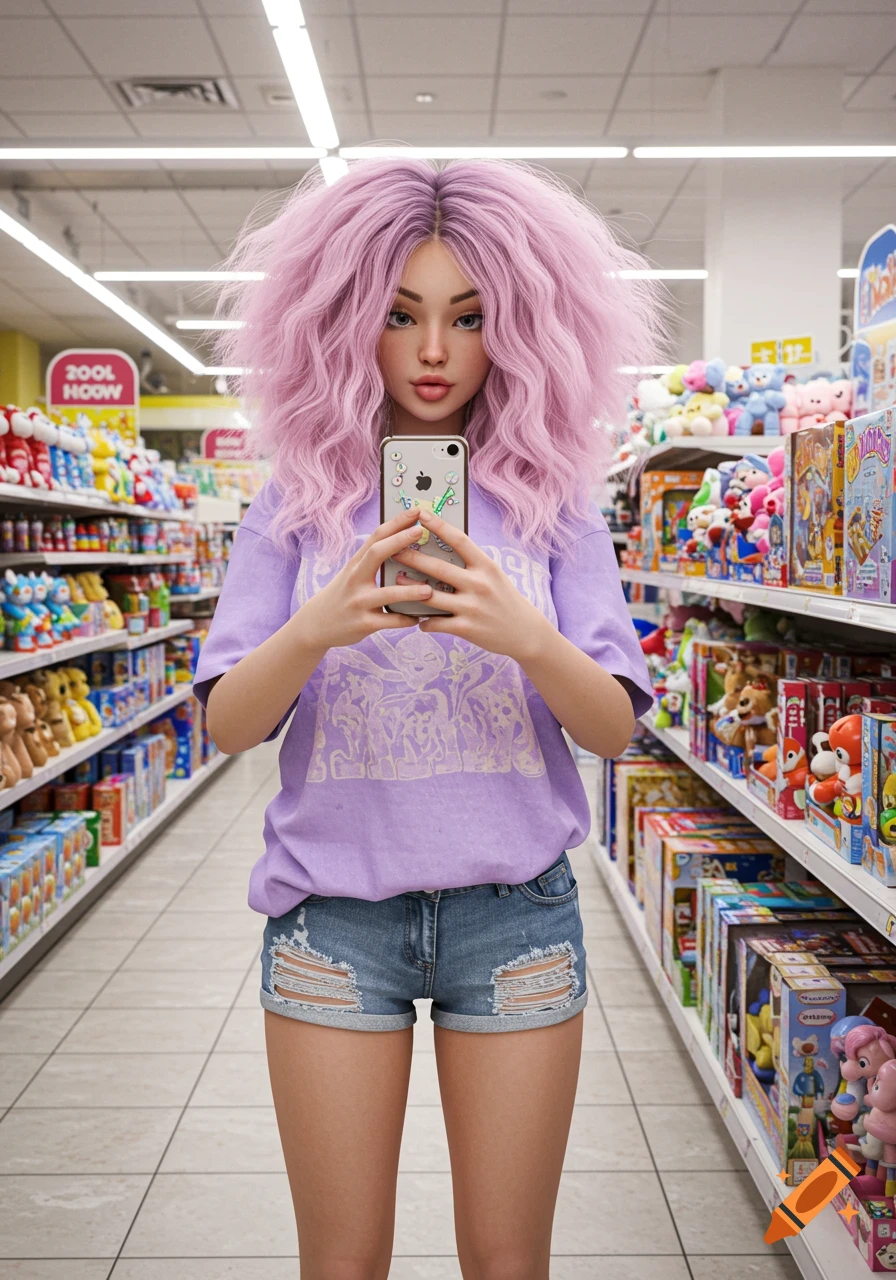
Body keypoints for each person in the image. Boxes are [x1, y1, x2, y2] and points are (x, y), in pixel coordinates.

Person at [195, 157, 659, 1280]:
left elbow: (612, 731)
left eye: (469, 315)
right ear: (346, 319)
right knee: (340, 1262)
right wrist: (316, 626)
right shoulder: (294, 498)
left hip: (516, 918)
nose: (434, 350)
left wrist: (525, 633)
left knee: (507, 1262)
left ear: (524, 326)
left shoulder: (554, 499)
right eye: (399, 315)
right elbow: (225, 724)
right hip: (330, 922)